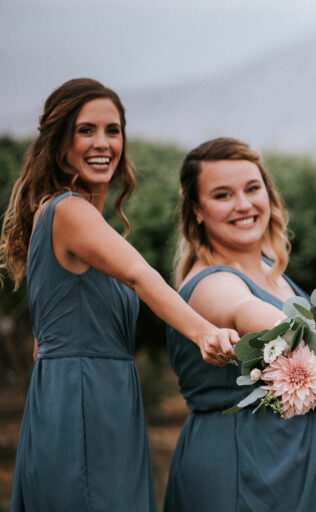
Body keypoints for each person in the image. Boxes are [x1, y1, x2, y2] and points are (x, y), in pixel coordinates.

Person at [3, 78, 237, 511]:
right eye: (86, 129)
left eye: (113, 130)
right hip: (85, 397)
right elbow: (139, 275)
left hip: (92, 393)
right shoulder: (68, 210)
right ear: (59, 144)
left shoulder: (66, 217)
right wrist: (205, 332)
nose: (103, 142)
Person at [162, 137, 316, 511]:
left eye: (252, 188)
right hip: (250, 465)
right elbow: (260, 318)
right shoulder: (211, 284)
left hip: (307, 462)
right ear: (197, 210)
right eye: (222, 195)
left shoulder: (272, 270)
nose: (244, 205)